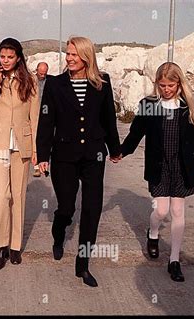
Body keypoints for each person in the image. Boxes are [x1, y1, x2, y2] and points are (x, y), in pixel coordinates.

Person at [36, 36, 121, 287]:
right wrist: (42, 156)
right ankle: (59, 231)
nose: (70, 59)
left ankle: (82, 265)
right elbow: (46, 122)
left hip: (94, 154)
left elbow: (109, 119)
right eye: (68, 54)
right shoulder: (55, 85)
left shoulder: (102, 83)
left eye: (74, 54)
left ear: (86, 56)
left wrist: (114, 149)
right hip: (63, 155)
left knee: (92, 209)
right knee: (67, 207)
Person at [120, 62, 194, 282]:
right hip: (159, 165)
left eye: (171, 85)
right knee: (161, 211)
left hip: (182, 167)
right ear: (157, 84)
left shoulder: (193, 106)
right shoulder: (149, 105)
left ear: (179, 83)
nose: (166, 89)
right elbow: (136, 133)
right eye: (162, 85)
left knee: (178, 211)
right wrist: (121, 152)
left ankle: (174, 260)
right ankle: (152, 234)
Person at [0, 38, 40, 270]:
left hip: (21, 145)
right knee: (2, 196)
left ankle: (15, 246)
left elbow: (35, 118)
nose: (6, 60)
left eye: (10, 57)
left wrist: (36, 150)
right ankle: (1, 246)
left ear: (18, 58)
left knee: (18, 196)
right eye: (3, 56)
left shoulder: (30, 81)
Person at [33, 61, 51, 177]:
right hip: (33, 114)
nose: (42, 76)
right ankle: (36, 166)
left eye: (44, 74)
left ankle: (43, 162)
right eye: (41, 74)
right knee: (35, 139)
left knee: (45, 138)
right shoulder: (30, 81)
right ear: (36, 71)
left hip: (46, 114)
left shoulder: (51, 81)